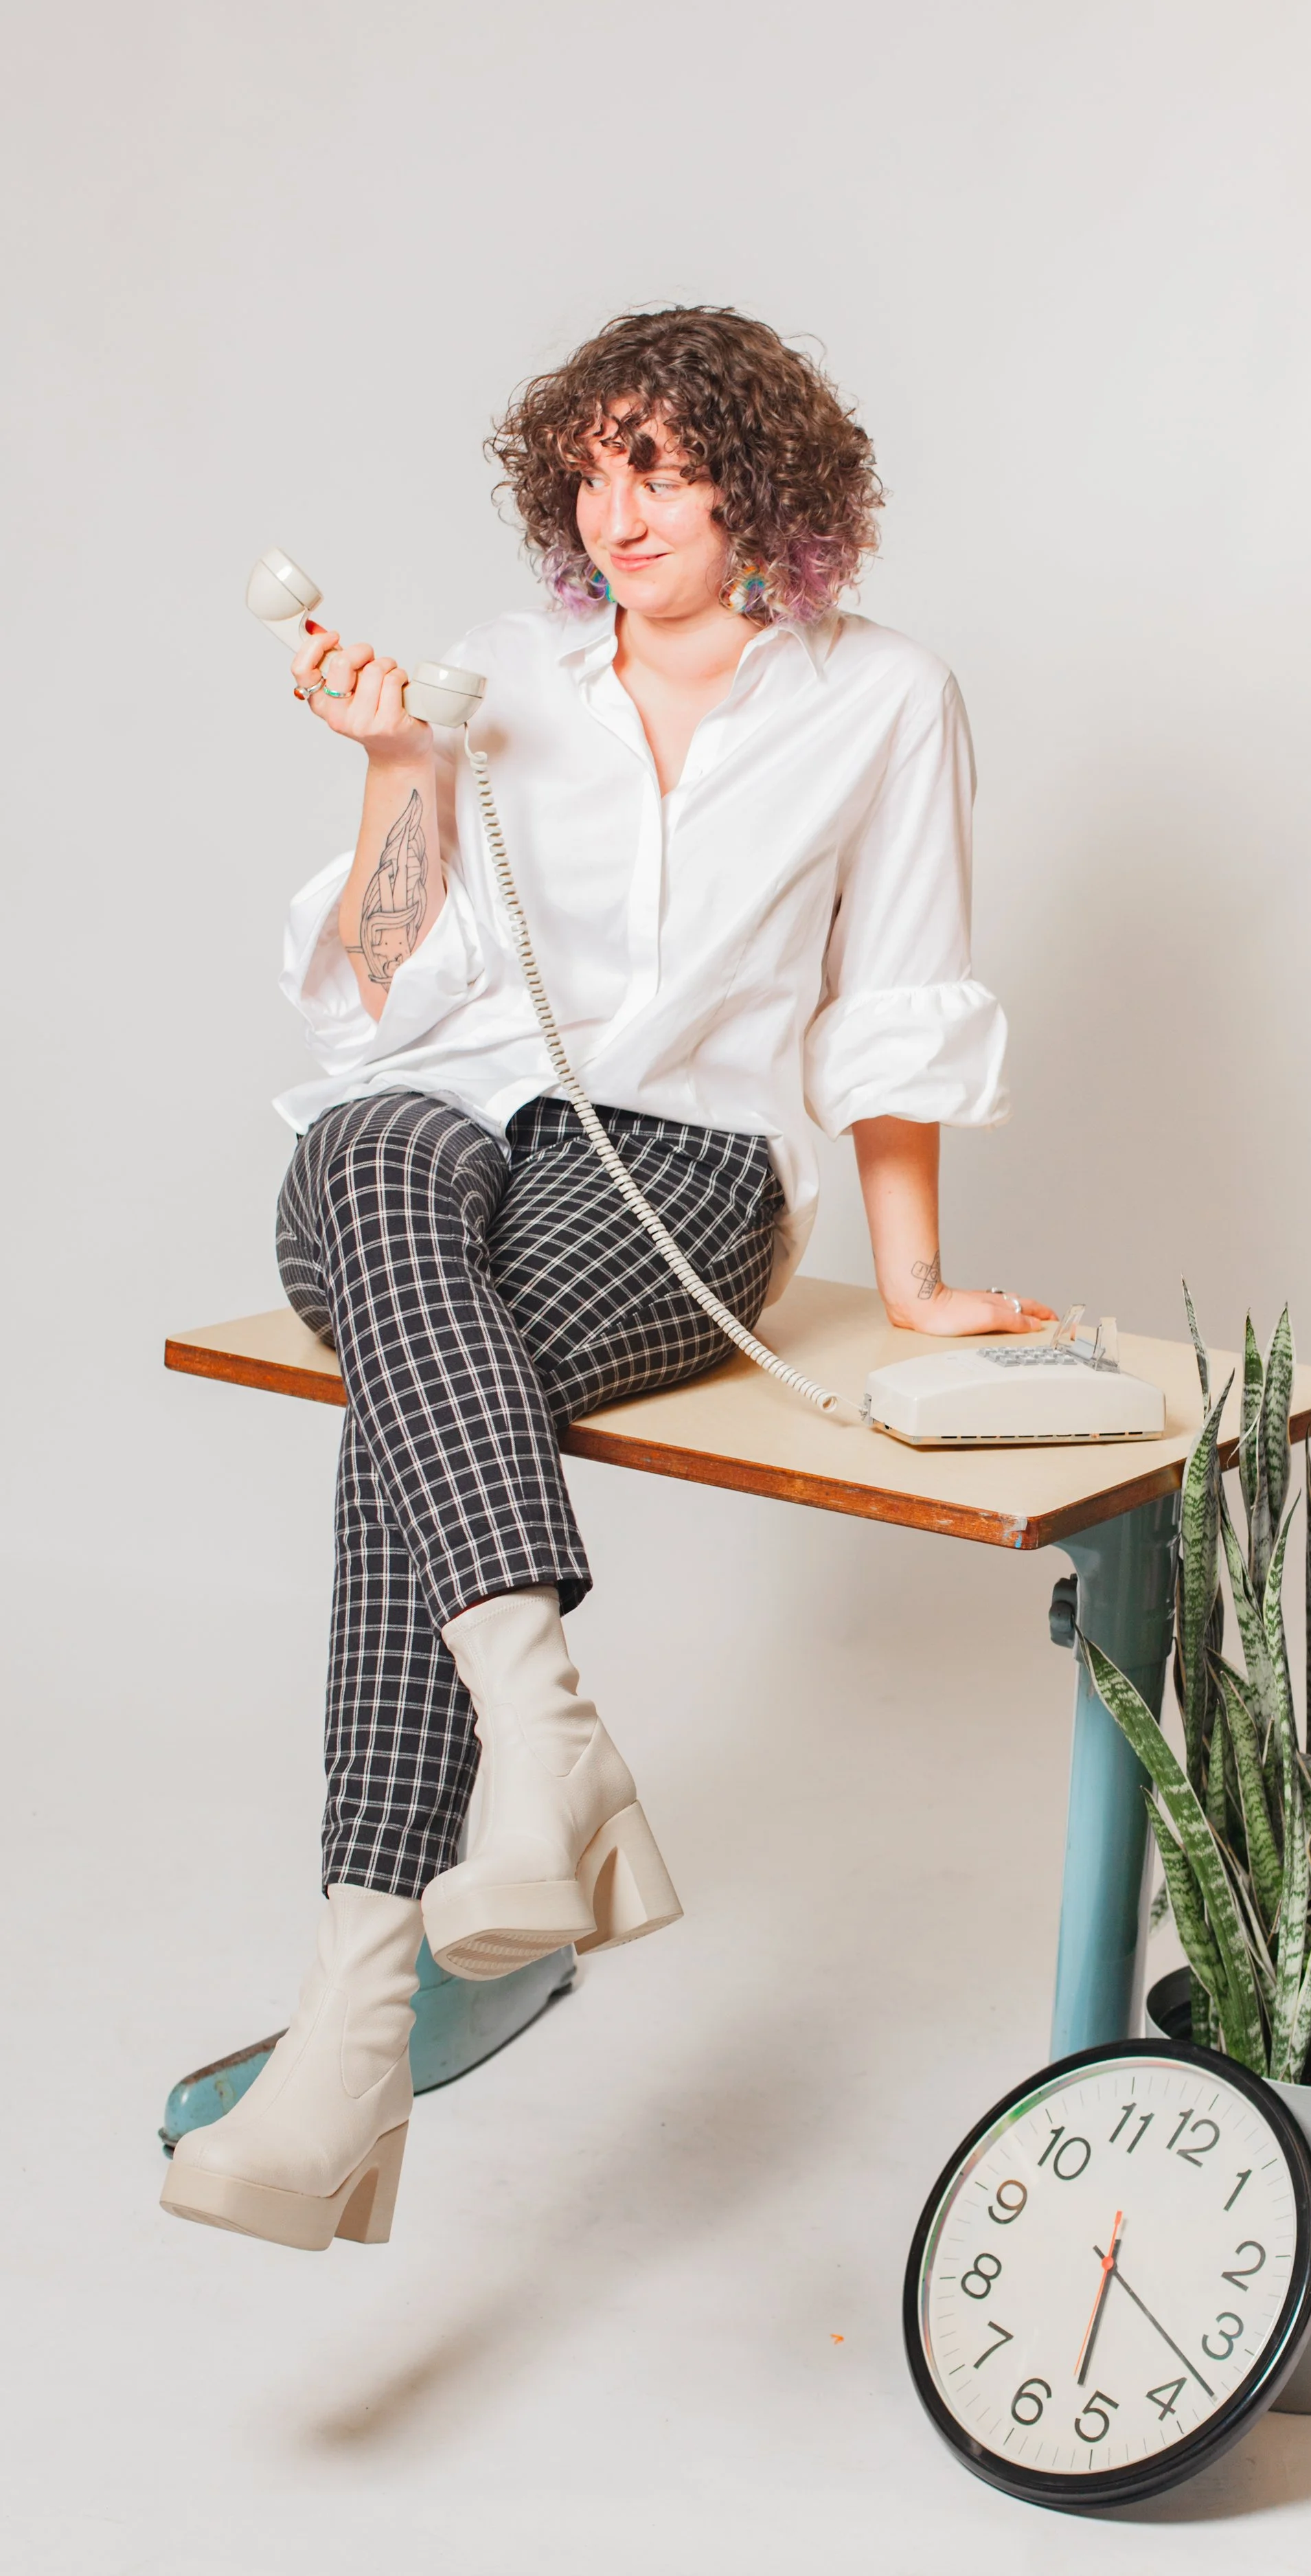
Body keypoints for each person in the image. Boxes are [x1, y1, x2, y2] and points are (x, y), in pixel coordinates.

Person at [161, 306, 1049, 2251]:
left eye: (660, 466)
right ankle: (549, 1746)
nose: (617, 510)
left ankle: (354, 2017)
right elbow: (382, 984)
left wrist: (913, 1283)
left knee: (408, 1405)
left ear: (760, 480)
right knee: (364, 1158)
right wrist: (401, 760)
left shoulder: (884, 696)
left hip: (680, 1164)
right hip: (448, 1121)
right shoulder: (500, 671)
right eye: (587, 471)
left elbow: (896, 997)